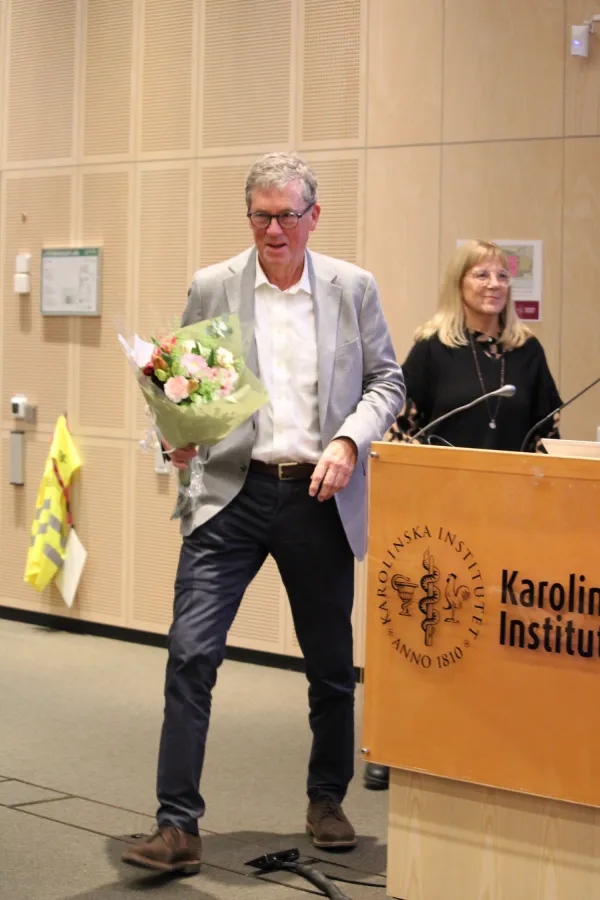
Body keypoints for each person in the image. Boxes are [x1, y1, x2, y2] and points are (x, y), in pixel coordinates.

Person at [123, 152, 405, 873]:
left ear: (315, 215)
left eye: (287, 215)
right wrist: (174, 435)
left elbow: (387, 382)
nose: (274, 230)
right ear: (247, 215)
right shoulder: (213, 285)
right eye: (261, 215)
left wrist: (348, 440)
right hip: (230, 494)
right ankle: (176, 824)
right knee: (190, 653)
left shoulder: (352, 288)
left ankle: (326, 799)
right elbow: (181, 386)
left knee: (331, 666)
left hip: (318, 494)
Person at [363, 238, 561, 792]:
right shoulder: (431, 348)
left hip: (510, 518)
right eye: (481, 275)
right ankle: (394, 741)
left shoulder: (528, 352)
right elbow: (402, 429)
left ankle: (487, 737)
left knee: (490, 635)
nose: (494, 285)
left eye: (502, 276)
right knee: (423, 627)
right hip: (440, 516)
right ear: (460, 283)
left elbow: (547, 434)